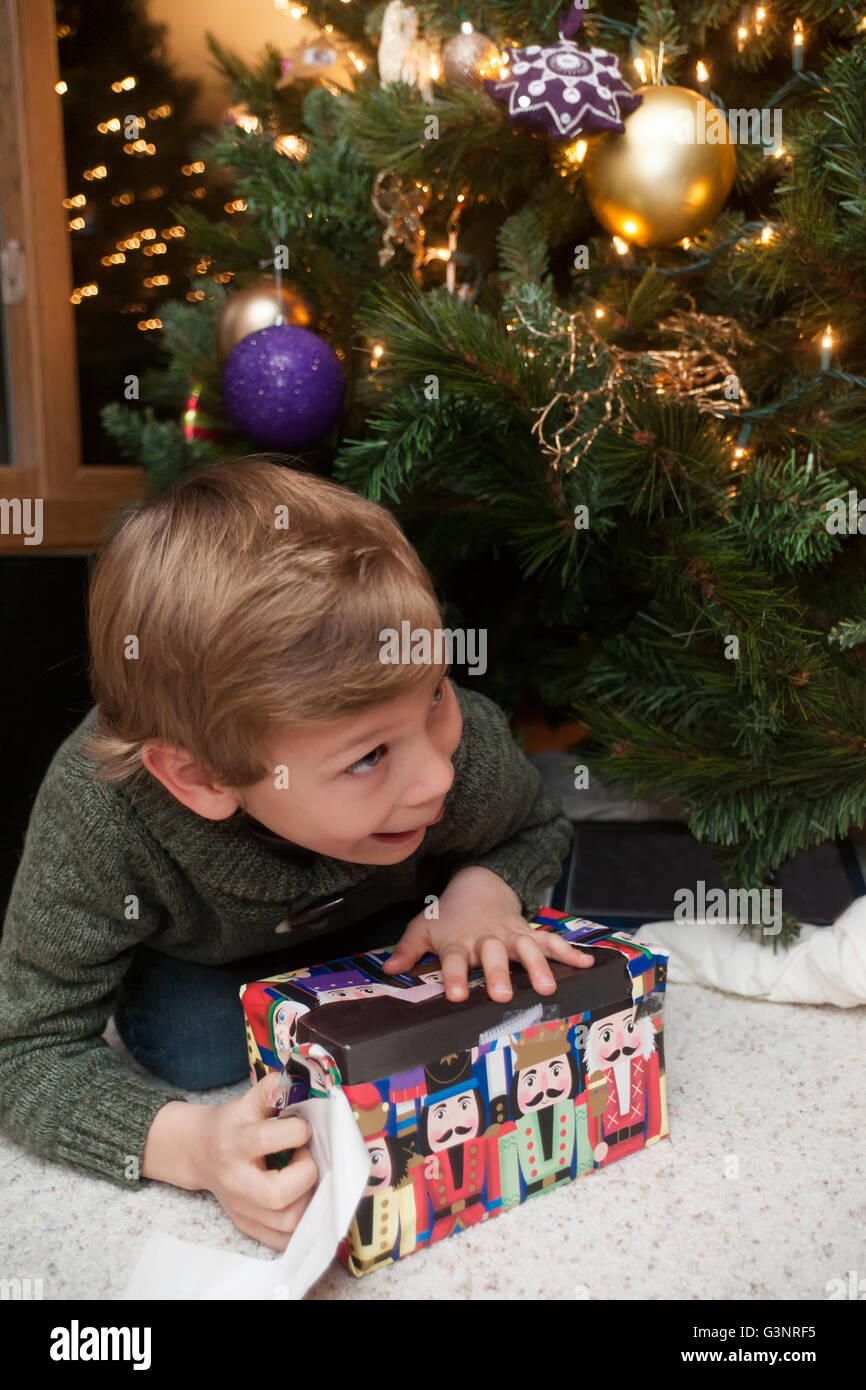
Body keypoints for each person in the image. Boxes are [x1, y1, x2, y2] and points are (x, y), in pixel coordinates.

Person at [0, 456, 591, 1251]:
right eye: (369, 757)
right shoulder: (98, 820)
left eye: (439, 695)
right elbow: (23, 1048)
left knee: (513, 963)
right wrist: (190, 1148)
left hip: (405, 920)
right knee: (202, 1048)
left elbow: (537, 821)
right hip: (216, 968)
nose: (437, 776)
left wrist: (482, 893)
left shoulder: (436, 736)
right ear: (203, 776)